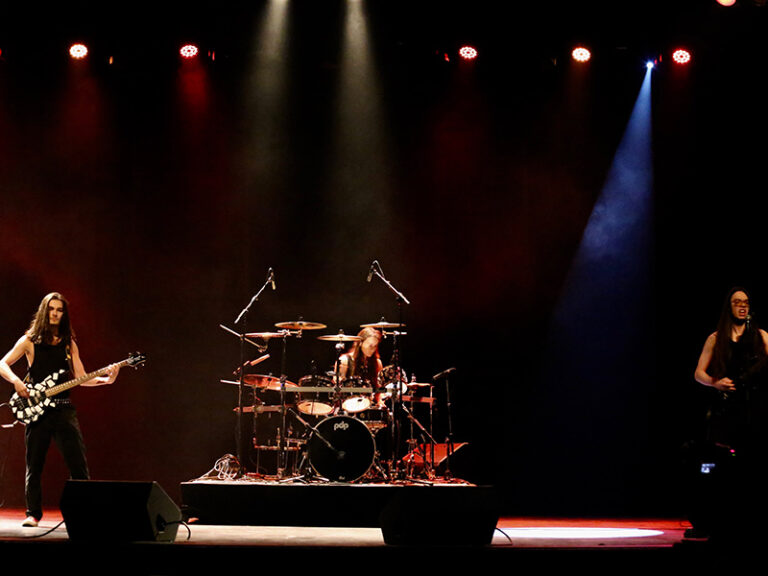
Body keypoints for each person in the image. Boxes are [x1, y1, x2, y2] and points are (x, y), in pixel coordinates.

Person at [0, 292, 119, 527]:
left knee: (78, 465)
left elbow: (81, 378)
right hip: (37, 411)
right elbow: (2, 363)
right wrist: (16, 381)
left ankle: (83, 513)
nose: (55, 314)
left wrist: (107, 380)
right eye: (52, 309)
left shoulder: (68, 344)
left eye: (59, 310)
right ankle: (33, 514)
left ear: (64, 314)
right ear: (44, 311)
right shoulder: (29, 341)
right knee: (34, 465)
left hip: (63, 410)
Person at [687, 287, 768, 541]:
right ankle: (712, 524)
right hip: (726, 409)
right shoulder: (716, 338)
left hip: (752, 408)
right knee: (720, 467)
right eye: (737, 302)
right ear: (729, 306)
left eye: (746, 302)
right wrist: (716, 382)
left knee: (749, 466)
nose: (742, 306)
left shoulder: (761, 336)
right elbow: (698, 373)